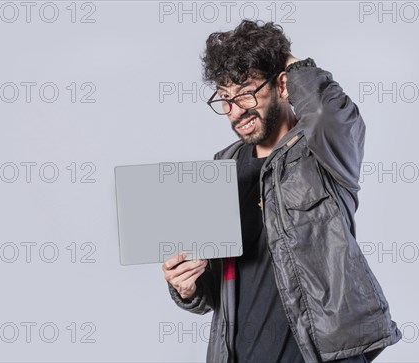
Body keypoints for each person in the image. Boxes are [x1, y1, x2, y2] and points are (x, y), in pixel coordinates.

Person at [162, 20, 401, 362]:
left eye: (245, 92)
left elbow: (325, 111)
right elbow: (219, 286)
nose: (236, 111)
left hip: (322, 355)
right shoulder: (222, 166)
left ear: (281, 84)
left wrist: (288, 61)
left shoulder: (323, 149)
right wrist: (187, 286)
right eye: (225, 99)